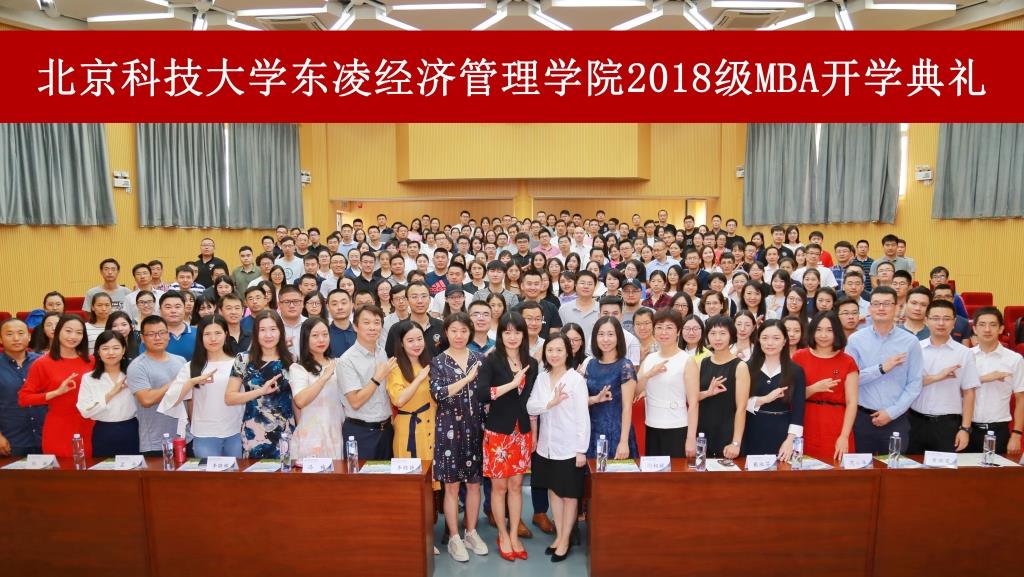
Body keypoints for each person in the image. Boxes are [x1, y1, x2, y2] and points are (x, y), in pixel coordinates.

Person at [477, 311, 539, 562]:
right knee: (499, 487)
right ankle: (502, 535)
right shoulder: (491, 361)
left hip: (521, 433)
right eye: (507, 332)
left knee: (515, 486)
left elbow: (531, 402)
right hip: (497, 433)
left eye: (517, 332)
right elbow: (482, 394)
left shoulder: (531, 363)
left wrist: (534, 434)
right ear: (500, 334)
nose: (512, 337)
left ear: (524, 334)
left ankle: (514, 534)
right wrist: (512, 384)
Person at [430, 312, 488, 563]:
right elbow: (438, 393)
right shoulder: (438, 361)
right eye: (454, 330)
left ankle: (470, 532)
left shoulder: (480, 359)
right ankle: (454, 537)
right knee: (451, 486)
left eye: (464, 331)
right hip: (449, 430)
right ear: (446, 332)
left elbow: (486, 394)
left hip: (475, 428)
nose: (459, 335)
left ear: (470, 333)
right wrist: (466, 379)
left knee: (474, 484)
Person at [526, 335, 589, 563]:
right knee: (554, 491)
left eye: (559, 350)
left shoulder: (576, 380)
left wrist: (581, 449)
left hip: (570, 447)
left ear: (568, 352)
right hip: (546, 447)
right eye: (550, 350)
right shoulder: (542, 378)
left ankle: (565, 540)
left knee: (569, 496)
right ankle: (560, 536)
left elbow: (583, 417)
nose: (554, 354)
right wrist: (549, 403)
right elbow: (530, 406)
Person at [846, 287, 924, 454]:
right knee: (860, 468)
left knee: (893, 468)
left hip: (896, 419)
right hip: (861, 418)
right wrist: (881, 369)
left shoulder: (910, 342)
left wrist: (891, 413)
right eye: (876, 304)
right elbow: (851, 380)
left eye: (887, 304)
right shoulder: (855, 340)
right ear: (869, 308)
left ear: (896, 307)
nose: (881, 308)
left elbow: (915, 384)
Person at [159, 315, 241, 458]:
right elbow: (171, 400)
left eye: (218, 333)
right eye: (207, 334)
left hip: (236, 431)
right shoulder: (191, 367)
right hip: (204, 433)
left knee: (237, 472)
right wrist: (192, 382)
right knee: (207, 472)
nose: (213, 338)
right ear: (200, 337)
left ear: (226, 334)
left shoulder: (238, 364)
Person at [908, 299, 980, 454]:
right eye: (935, 318)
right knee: (912, 468)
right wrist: (937, 377)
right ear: (926, 320)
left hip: (948, 425)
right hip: (915, 422)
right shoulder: (915, 348)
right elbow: (907, 385)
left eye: (946, 318)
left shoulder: (964, 353)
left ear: (954, 322)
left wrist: (965, 429)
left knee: (944, 469)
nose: (941, 323)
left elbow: (969, 393)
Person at [18, 314, 95, 457]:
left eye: (79, 332)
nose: (73, 336)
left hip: (91, 425)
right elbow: (24, 398)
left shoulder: (91, 361)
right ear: (58, 331)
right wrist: (56, 392)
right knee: (63, 469)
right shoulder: (42, 363)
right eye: (68, 331)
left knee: (93, 469)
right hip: (59, 427)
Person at [225, 310, 295, 459]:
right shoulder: (243, 359)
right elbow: (229, 398)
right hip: (254, 433)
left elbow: (297, 400)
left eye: (273, 329)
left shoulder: (292, 360)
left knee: (286, 473)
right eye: (262, 330)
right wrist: (260, 391)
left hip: (286, 432)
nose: (268, 335)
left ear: (281, 332)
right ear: (256, 333)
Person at [792, 312, 859, 461]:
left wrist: (844, 436)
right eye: (819, 329)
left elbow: (852, 402)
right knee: (802, 469)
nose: (823, 335)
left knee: (836, 468)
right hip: (805, 422)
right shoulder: (799, 357)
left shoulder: (847, 361)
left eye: (829, 330)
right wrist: (813, 389)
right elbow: (790, 396)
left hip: (836, 424)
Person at [636, 309, 700, 458]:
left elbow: (693, 403)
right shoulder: (649, 359)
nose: (663, 332)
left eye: (669, 327)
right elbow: (636, 391)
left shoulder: (687, 360)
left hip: (678, 427)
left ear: (678, 331)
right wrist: (648, 374)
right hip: (652, 426)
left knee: (676, 472)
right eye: (659, 327)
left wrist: (691, 438)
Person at [743, 320, 806, 461]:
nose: (769, 343)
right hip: (751, 430)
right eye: (765, 338)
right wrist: (764, 399)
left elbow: (799, 410)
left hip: (782, 432)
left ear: (785, 341)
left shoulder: (796, 371)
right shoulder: (746, 367)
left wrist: (790, 441)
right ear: (758, 340)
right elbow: (738, 404)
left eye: (776, 338)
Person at [339, 305, 396, 461]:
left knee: (387, 476)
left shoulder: (382, 352)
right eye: (366, 322)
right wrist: (377, 378)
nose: (372, 327)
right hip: (361, 433)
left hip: (386, 431)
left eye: (377, 322)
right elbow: (355, 402)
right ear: (355, 326)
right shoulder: (347, 360)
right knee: (361, 477)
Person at [126, 316, 186, 457]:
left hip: (184, 436)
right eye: (151, 334)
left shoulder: (181, 361)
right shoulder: (137, 366)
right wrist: (174, 383)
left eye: (162, 333)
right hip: (156, 441)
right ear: (142, 338)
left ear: (168, 335)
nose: (157, 338)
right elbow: (146, 400)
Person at [968, 307, 1024, 454]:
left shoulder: (1014, 359)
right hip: (966, 429)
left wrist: (1017, 434)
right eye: (982, 324)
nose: (987, 329)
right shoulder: (966, 356)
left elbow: (1021, 399)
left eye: (993, 325)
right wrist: (984, 378)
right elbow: (956, 389)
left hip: (998, 430)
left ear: (1001, 329)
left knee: (996, 469)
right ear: (974, 329)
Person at [76, 331, 138, 457]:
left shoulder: (134, 375)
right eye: (105, 348)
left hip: (131, 429)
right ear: (98, 351)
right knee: (104, 468)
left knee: (133, 467)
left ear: (123, 350)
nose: (111, 352)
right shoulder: (89, 378)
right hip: (103, 431)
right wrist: (111, 394)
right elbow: (85, 412)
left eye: (116, 348)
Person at [583, 317, 638, 459]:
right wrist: (594, 399)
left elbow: (627, 407)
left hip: (617, 433)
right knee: (593, 472)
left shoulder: (625, 366)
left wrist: (624, 442)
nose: (605, 339)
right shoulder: (590, 364)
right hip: (592, 431)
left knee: (615, 472)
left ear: (618, 337)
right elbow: (582, 401)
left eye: (610, 334)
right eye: (601, 334)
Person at [697, 315, 750, 459]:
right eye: (713, 333)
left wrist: (736, 443)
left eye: (722, 333)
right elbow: (693, 398)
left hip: (728, 433)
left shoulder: (740, 366)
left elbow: (741, 408)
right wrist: (708, 393)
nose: (717, 338)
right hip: (702, 432)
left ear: (731, 335)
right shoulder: (703, 363)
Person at [289, 316, 342, 460]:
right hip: (310, 436)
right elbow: (300, 400)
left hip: (335, 432)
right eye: (315, 335)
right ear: (305, 338)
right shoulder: (298, 368)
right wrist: (323, 378)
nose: (321, 340)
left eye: (325, 334)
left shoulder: (337, 363)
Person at [386, 321, 437, 464]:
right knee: (411, 473)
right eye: (410, 341)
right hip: (409, 430)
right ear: (401, 344)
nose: (416, 344)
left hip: (431, 426)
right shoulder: (395, 368)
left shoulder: (430, 364)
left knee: (431, 473)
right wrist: (418, 379)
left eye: (420, 339)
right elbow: (398, 400)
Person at [0, 319, 45, 456]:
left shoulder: (43, 362)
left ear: (29, 336)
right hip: (11, 441)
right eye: (9, 334)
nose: (16, 338)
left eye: (20, 333)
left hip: (46, 437)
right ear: (1, 339)